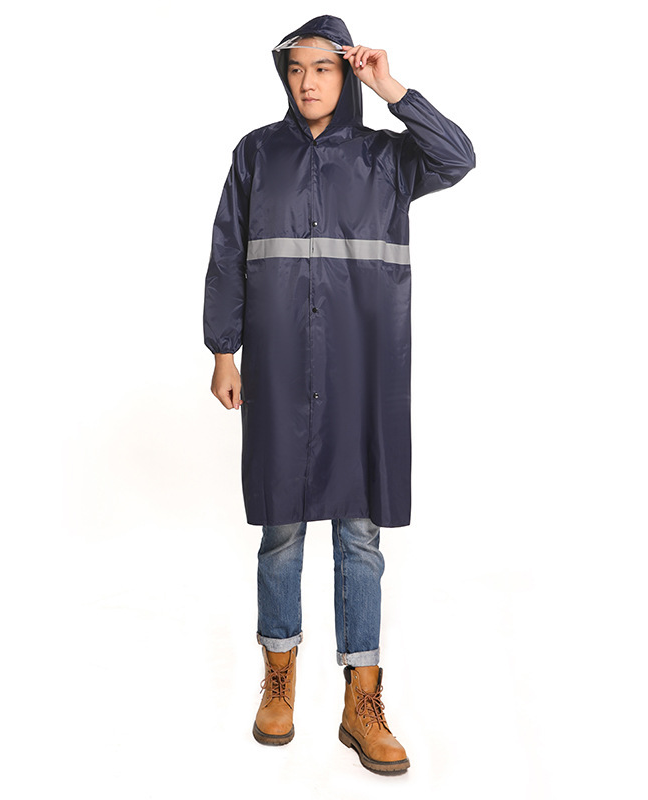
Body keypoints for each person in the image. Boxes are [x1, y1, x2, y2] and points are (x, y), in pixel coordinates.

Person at [203, 15, 475, 774]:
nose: (307, 82)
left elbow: (459, 156)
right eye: (296, 69)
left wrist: (392, 87)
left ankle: (363, 699)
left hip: (362, 369)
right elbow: (227, 250)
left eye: (323, 68)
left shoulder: (388, 158)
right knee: (282, 528)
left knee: (360, 531)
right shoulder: (257, 153)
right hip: (280, 368)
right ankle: (279, 679)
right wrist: (223, 350)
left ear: (346, 74)